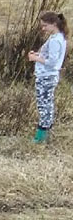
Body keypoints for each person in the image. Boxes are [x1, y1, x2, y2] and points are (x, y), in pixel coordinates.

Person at [28, 11, 68, 143]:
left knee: (43, 106)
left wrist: (35, 58)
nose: (43, 28)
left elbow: (51, 62)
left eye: (45, 25)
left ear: (54, 24)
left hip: (46, 77)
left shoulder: (55, 41)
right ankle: (46, 133)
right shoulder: (59, 37)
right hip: (50, 76)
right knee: (48, 104)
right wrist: (38, 54)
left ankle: (40, 137)